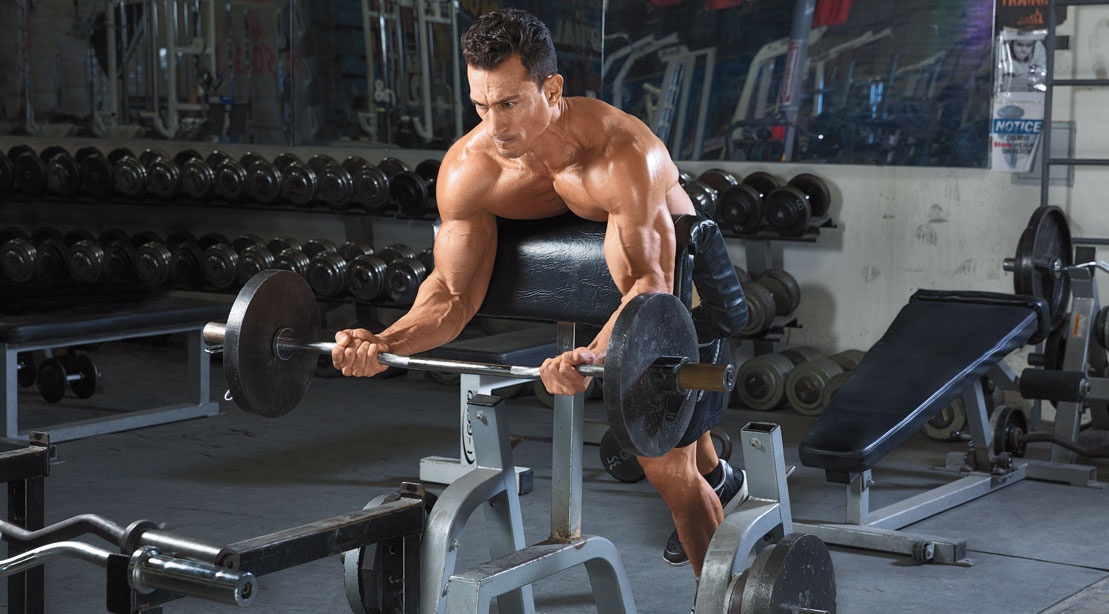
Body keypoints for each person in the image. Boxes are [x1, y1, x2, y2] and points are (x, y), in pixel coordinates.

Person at [331, 7, 746, 595]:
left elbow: (649, 284)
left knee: (667, 469)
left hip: (682, 295)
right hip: (621, 290)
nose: (494, 125)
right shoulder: (470, 169)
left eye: (509, 103)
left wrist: (592, 356)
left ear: (551, 90)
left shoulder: (623, 151)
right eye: (480, 105)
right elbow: (451, 294)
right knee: (687, 454)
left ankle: (722, 596)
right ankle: (721, 479)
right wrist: (384, 341)